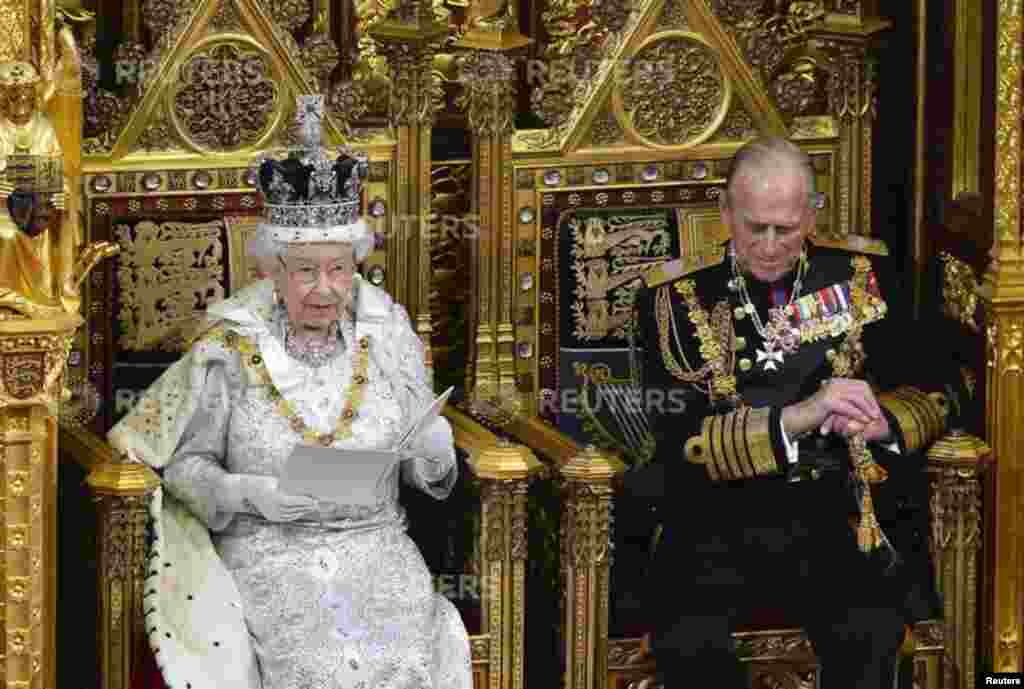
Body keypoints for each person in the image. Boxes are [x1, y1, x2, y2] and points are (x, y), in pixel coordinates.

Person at [107, 99, 472, 688]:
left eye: (338, 269)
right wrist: (249, 493)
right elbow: (183, 468)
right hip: (268, 550)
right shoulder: (230, 346)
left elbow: (425, 470)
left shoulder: (387, 336)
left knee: (400, 661)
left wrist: (433, 448)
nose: (324, 289)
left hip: (376, 547)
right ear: (273, 272)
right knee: (319, 665)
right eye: (305, 271)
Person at [629, 136, 950, 689]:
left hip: (833, 510)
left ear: (812, 213)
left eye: (788, 227)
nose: (772, 245)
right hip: (713, 520)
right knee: (691, 642)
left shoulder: (863, 276)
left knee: (871, 631)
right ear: (726, 213)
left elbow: (941, 388)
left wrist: (885, 422)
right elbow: (681, 439)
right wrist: (802, 415)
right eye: (756, 228)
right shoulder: (672, 300)